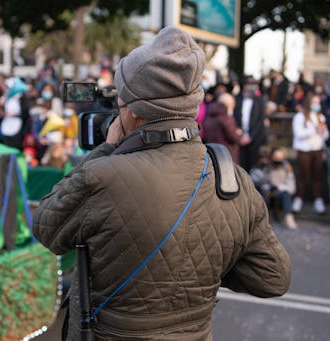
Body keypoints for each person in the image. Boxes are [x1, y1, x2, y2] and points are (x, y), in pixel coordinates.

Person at [33, 27, 290, 340]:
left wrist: (107, 148)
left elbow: (45, 226)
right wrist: (203, 269)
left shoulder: (101, 177)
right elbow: (273, 278)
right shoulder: (233, 179)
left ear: (138, 113)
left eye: (122, 104)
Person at [292, 93, 329, 214]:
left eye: (318, 103)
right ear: (309, 103)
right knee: (302, 176)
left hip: (317, 150)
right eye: (314, 102)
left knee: (317, 176)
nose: (317, 105)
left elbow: (326, 136)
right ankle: (298, 200)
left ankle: (318, 201)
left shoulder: (320, 116)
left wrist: (322, 130)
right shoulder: (299, 117)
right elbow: (299, 134)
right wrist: (314, 128)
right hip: (304, 150)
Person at [233, 77, 267, 172]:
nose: (252, 87)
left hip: (254, 139)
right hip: (239, 138)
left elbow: (260, 121)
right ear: (244, 86)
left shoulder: (260, 101)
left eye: (254, 84)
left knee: (253, 167)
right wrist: (239, 134)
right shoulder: (237, 99)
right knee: (240, 167)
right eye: (249, 84)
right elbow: (234, 117)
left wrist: (250, 137)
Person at [202, 93, 242, 163]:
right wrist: (238, 133)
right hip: (227, 155)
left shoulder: (209, 116)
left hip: (212, 154)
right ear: (228, 105)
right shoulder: (226, 119)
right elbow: (234, 137)